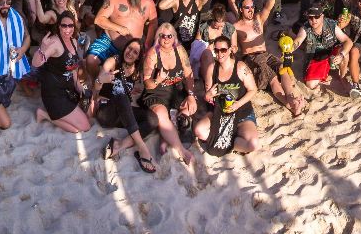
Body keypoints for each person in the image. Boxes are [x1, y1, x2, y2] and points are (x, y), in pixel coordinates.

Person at [93, 38, 158, 173]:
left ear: (138, 57)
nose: (130, 53)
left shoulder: (135, 72)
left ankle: (118, 146)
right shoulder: (113, 62)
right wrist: (101, 80)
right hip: (106, 112)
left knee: (152, 119)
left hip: (122, 113)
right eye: (129, 48)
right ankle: (143, 149)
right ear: (125, 48)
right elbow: (96, 88)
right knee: (120, 95)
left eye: (135, 52)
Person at [141, 23, 197, 165]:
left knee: (188, 109)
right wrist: (157, 80)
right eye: (162, 36)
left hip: (176, 90)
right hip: (157, 92)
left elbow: (189, 73)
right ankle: (181, 150)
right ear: (158, 37)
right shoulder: (153, 54)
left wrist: (190, 95)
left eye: (169, 36)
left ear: (174, 37)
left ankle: (164, 139)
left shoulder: (180, 50)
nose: (166, 39)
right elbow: (147, 82)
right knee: (161, 114)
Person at [86, 0, 157, 83]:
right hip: (110, 42)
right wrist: (119, 28)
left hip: (133, 48)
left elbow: (153, 22)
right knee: (91, 60)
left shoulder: (148, 2)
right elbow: (99, 19)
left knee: (138, 73)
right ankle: (97, 84)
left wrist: (147, 43)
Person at [194, 36, 260, 154]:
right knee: (199, 131)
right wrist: (208, 95)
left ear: (230, 50)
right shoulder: (212, 68)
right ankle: (228, 139)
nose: (219, 53)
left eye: (223, 50)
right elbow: (208, 97)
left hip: (241, 111)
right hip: (220, 112)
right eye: (216, 50)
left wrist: (237, 104)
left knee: (252, 144)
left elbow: (253, 90)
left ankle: (225, 140)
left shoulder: (240, 67)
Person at [31, 11, 91, 133]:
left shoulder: (73, 41)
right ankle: (44, 115)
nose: (67, 29)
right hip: (54, 93)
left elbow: (73, 68)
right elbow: (36, 63)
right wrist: (42, 49)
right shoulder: (55, 43)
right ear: (59, 26)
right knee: (84, 127)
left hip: (68, 89)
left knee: (89, 113)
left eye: (70, 26)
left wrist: (78, 85)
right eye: (64, 25)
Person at [290, 6, 353, 91]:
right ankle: (325, 70)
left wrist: (341, 55)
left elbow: (348, 41)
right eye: (310, 17)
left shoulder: (331, 25)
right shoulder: (305, 27)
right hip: (317, 57)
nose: (313, 20)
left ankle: (343, 77)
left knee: (345, 53)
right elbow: (299, 39)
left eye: (316, 17)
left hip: (332, 51)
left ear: (322, 16)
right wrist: (291, 48)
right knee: (310, 85)